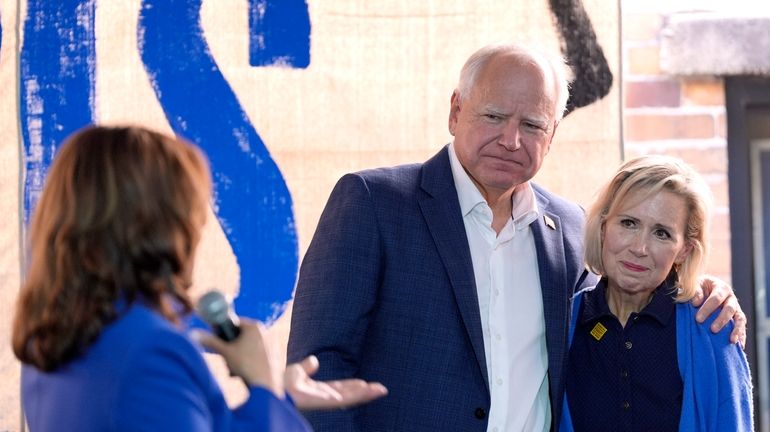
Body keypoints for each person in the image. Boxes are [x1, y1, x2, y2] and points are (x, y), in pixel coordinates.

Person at [287, 43, 746, 432]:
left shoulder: (568, 229)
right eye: (494, 116)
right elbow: (317, 367)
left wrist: (708, 288)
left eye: (532, 125)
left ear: (553, 134)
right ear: (455, 111)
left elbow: (632, 288)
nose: (511, 140)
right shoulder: (374, 202)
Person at [12, 125, 387, 432]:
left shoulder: (50, 337)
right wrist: (263, 387)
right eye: (191, 214)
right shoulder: (151, 350)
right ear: (158, 228)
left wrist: (274, 398)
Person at [561, 156, 753, 431]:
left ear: (684, 250)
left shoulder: (713, 326)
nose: (640, 247)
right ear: (604, 227)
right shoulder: (565, 323)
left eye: (661, 233)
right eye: (628, 223)